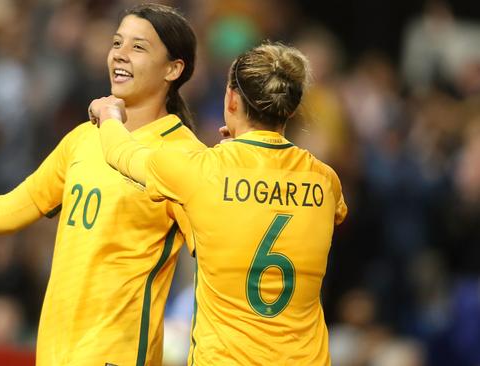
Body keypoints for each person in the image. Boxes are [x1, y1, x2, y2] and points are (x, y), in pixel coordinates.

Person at [0, 4, 204, 365]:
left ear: (174, 68)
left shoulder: (184, 156)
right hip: (54, 353)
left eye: (138, 47)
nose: (120, 55)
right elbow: (11, 208)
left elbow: (215, 257)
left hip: (117, 356)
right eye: (116, 42)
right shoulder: (83, 139)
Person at [91, 42, 348, 364]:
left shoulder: (202, 171)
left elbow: (122, 154)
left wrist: (109, 114)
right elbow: (328, 212)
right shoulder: (325, 181)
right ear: (291, 109)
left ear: (231, 99)